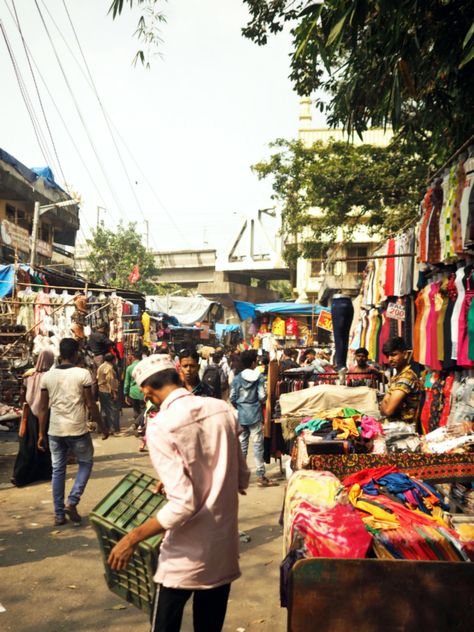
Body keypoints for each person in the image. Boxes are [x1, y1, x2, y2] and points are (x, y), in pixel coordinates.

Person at [107, 354, 250, 632]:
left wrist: (133, 537)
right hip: (222, 548)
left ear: (147, 391)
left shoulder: (161, 425)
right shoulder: (221, 409)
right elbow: (241, 477)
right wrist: (194, 476)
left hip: (185, 555)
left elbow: (183, 504)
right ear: (178, 376)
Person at [37, 338, 109, 526]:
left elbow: (43, 408)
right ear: (76, 353)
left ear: (61, 354)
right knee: (85, 463)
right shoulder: (82, 373)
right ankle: (73, 500)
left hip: (55, 430)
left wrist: (41, 434)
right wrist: (102, 426)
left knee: (58, 470)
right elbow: (90, 403)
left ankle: (59, 514)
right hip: (77, 429)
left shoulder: (47, 377)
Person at [230, 349, 278, 488]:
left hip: (241, 414)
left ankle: (240, 476)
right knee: (258, 446)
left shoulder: (237, 378)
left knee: (242, 446)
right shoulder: (259, 377)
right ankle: (260, 476)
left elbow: (232, 397)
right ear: (252, 362)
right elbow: (262, 396)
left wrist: (239, 406)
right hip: (255, 414)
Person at [11, 350, 55, 487]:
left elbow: (23, 395)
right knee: (43, 442)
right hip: (45, 413)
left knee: (28, 444)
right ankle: (42, 472)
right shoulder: (50, 377)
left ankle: (21, 474)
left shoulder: (29, 375)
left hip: (30, 412)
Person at [379, 337, 421, 427]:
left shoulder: (407, 377)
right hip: (396, 426)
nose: (390, 359)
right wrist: (385, 406)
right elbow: (383, 407)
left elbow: (388, 410)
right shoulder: (397, 376)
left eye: (394, 355)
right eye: (388, 356)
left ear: (405, 354)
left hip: (406, 428)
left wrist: (385, 405)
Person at [97, 353, 120, 435]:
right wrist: (114, 393)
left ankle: (102, 428)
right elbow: (110, 381)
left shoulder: (101, 366)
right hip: (107, 391)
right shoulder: (109, 368)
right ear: (113, 360)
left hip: (101, 390)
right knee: (112, 410)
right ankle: (113, 429)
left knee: (103, 410)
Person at [124, 349, 145, 419]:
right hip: (144, 391)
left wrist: (126, 394)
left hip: (134, 393)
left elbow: (126, 383)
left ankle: (137, 424)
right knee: (145, 411)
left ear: (133, 357)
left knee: (136, 411)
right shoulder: (145, 366)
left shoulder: (129, 368)